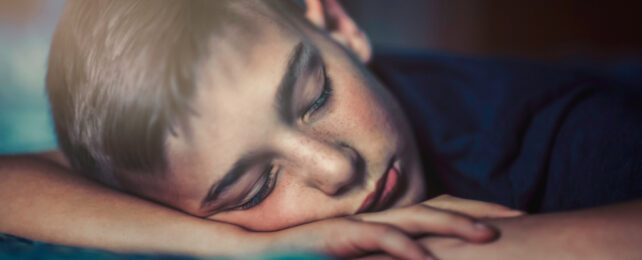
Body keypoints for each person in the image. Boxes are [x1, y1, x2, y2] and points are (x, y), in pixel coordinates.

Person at [0, 0, 640, 259]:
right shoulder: (161, 182)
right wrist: (245, 249)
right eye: (254, 190)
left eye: (315, 97)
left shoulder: (558, 138)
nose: (335, 167)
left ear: (335, 24)